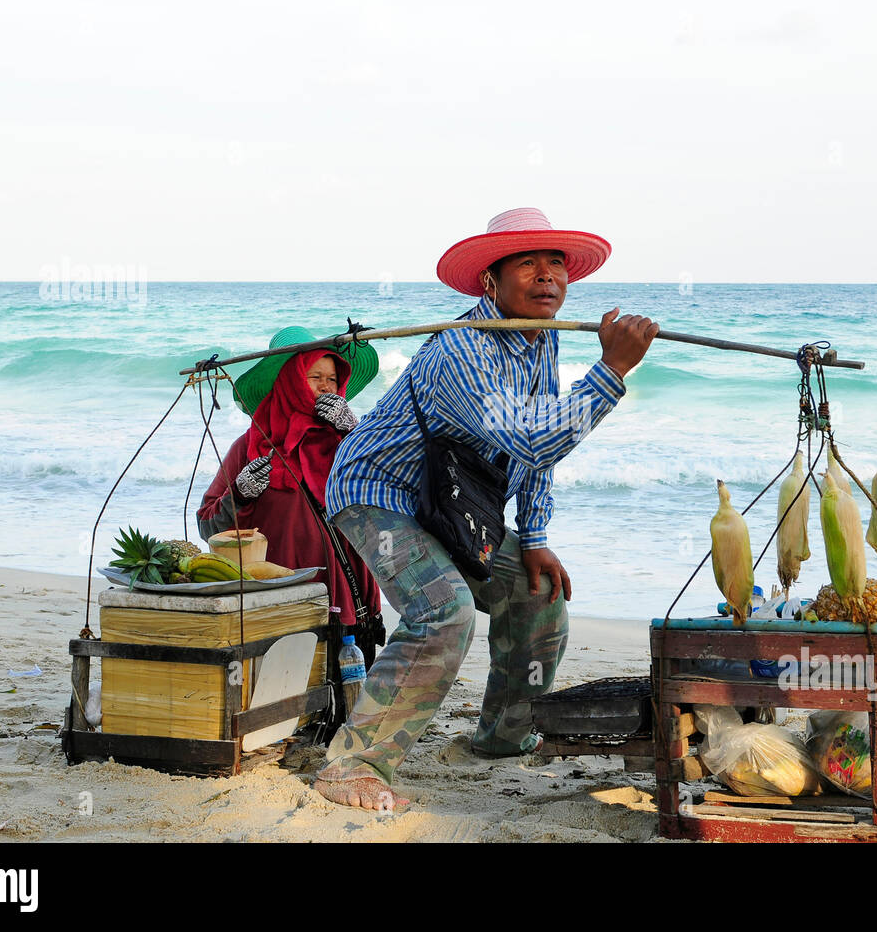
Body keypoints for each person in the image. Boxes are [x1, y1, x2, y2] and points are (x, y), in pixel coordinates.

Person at [313, 208, 658, 810]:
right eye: (528, 263)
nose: (547, 276)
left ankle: (502, 737)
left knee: (537, 596)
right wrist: (611, 369)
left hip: (450, 507)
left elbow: (535, 457)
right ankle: (352, 765)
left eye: (557, 264)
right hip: (378, 494)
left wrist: (534, 535)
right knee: (443, 610)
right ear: (490, 283)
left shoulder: (540, 340)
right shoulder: (460, 348)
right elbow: (529, 437)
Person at [198, 327, 382, 635]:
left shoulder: (349, 440)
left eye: (332, 379)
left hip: (348, 597)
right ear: (290, 382)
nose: (326, 387)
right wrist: (240, 493)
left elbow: (385, 490)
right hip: (270, 602)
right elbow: (208, 526)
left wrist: (354, 432)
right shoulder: (248, 447)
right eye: (315, 377)